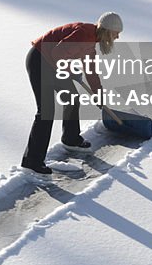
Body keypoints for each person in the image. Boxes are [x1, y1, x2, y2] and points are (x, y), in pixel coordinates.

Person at [21, 11, 123, 175]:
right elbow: (57, 54)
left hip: (53, 64)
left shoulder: (91, 42)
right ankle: (32, 161)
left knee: (73, 98)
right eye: (116, 34)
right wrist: (70, 70)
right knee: (46, 111)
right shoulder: (83, 34)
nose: (117, 38)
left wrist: (99, 95)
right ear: (107, 30)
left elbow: (91, 72)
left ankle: (71, 139)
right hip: (40, 60)